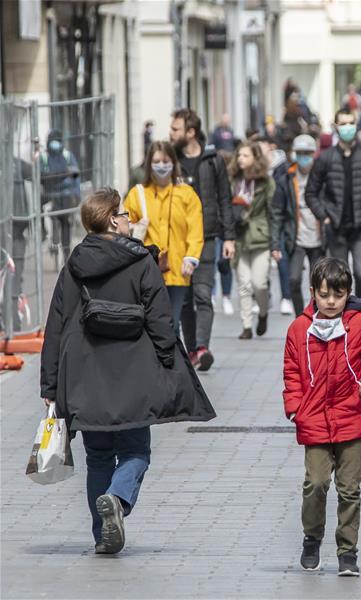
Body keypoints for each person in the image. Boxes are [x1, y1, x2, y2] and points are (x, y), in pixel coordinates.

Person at [40, 188, 215, 555]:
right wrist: (168, 363)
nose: (130, 220)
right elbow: (160, 320)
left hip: (85, 378)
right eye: (125, 215)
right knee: (136, 451)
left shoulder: (75, 263)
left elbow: (56, 323)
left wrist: (50, 384)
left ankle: (103, 536)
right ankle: (118, 500)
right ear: (112, 220)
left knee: (98, 457)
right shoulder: (140, 262)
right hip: (134, 374)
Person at [283, 258, 361, 576]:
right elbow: (291, 370)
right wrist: (294, 407)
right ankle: (312, 537)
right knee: (316, 483)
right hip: (313, 418)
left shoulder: (358, 324)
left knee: (350, 488)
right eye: (324, 295)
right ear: (313, 293)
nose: (331, 302)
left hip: (350, 417)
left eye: (339, 295)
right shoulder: (300, 329)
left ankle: (348, 551)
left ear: (348, 294)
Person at [169, 108, 235, 371]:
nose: (170, 133)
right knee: (184, 298)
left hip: (206, 237)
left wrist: (229, 238)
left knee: (202, 293)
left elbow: (224, 200)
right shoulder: (170, 159)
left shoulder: (213, 160)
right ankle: (193, 349)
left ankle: (202, 346)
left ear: (190, 132)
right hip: (178, 239)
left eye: (175, 129)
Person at [305, 108, 361, 306]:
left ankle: (360, 317)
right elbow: (311, 192)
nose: (347, 127)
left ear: (356, 124)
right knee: (339, 278)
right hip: (336, 228)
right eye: (343, 123)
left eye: (351, 122)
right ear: (335, 127)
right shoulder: (326, 158)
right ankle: (341, 317)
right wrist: (324, 215)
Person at [124, 141, 205, 338]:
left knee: (171, 325)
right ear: (149, 163)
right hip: (146, 271)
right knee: (151, 324)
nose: (161, 165)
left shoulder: (186, 194)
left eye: (166, 161)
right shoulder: (137, 194)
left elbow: (195, 228)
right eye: (157, 161)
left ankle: (169, 366)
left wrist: (191, 257)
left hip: (178, 269)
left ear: (174, 163)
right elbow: (124, 225)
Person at [271, 134, 325, 316]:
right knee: (293, 280)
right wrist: (275, 244)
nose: (304, 156)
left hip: (319, 237)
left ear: (314, 153)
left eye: (307, 153)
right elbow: (277, 212)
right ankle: (300, 318)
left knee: (319, 283)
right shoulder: (286, 178)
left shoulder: (322, 175)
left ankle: (317, 317)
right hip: (296, 237)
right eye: (300, 153)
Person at [229, 142, 277, 339]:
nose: (241, 159)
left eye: (245, 156)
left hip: (260, 237)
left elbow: (273, 213)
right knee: (244, 284)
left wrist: (275, 243)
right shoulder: (232, 181)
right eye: (239, 155)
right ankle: (247, 326)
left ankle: (263, 313)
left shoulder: (266, 183)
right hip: (239, 238)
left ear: (255, 159)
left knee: (259, 284)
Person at [39, 129, 82, 259]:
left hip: (67, 196)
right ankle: (50, 240)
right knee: (52, 218)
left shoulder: (68, 156)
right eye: (53, 141)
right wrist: (63, 174)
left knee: (66, 223)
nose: (55, 144)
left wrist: (76, 195)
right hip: (50, 196)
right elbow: (41, 177)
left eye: (57, 141)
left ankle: (66, 252)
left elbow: (75, 176)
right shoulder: (44, 157)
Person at [265, 134, 295, 315]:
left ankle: (286, 296)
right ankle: (262, 296)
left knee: (282, 260)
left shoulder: (283, 169)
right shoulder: (256, 167)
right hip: (261, 222)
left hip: (281, 221)